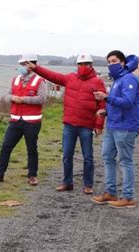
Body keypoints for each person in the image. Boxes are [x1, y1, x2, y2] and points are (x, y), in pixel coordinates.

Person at [25, 54, 106, 194]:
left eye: (86, 64)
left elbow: (102, 105)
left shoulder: (98, 82)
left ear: (91, 65)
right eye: (80, 64)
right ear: (77, 65)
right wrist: (36, 68)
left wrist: (99, 124)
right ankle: (67, 182)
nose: (83, 67)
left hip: (86, 126)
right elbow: (52, 76)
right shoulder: (70, 78)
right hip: (69, 125)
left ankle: (88, 184)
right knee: (67, 155)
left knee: (88, 157)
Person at [0, 53, 47, 186]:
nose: (21, 67)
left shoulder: (39, 81)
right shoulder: (16, 79)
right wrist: (12, 98)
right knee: (6, 146)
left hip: (32, 122)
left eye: (24, 64)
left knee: (31, 149)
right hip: (15, 120)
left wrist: (23, 100)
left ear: (31, 65)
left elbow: (42, 99)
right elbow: (7, 96)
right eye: (21, 64)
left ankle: (32, 175)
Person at [91, 50, 139, 208]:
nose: (111, 64)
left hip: (125, 127)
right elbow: (117, 104)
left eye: (114, 61)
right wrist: (106, 111)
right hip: (113, 125)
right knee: (108, 158)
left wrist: (105, 98)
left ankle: (128, 197)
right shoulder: (118, 80)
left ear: (122, 62)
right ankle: (110, 192)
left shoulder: (128, 79)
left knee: (125, 161)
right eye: (109, 61)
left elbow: (128, 102)